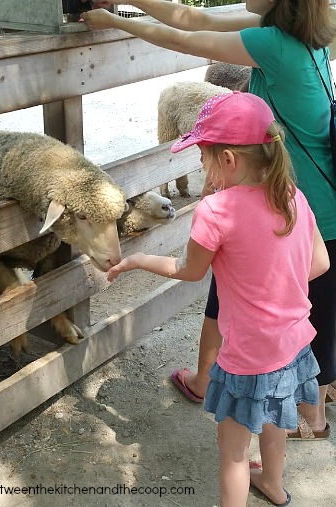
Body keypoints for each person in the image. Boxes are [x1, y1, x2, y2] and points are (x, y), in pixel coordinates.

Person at [83, 0, 336, 440]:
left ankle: (304, 415)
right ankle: (253, 389)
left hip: (290, 207)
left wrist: (111, 18)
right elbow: (194, 18)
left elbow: (183, 34)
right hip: (308, 201)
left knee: (259, 297)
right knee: (294, 306)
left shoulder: (271, 43)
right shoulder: (301, 32)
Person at [107, 91, 330, 507]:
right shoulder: (293, 196)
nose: (203, 169)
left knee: (233, 453)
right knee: (275, 421)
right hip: (294, 341)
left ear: (227, 160)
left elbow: (189, 271)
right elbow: (319, 262)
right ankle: (275, 488)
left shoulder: (215, 210)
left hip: (246, 353)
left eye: (204, 159)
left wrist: (138, 259)